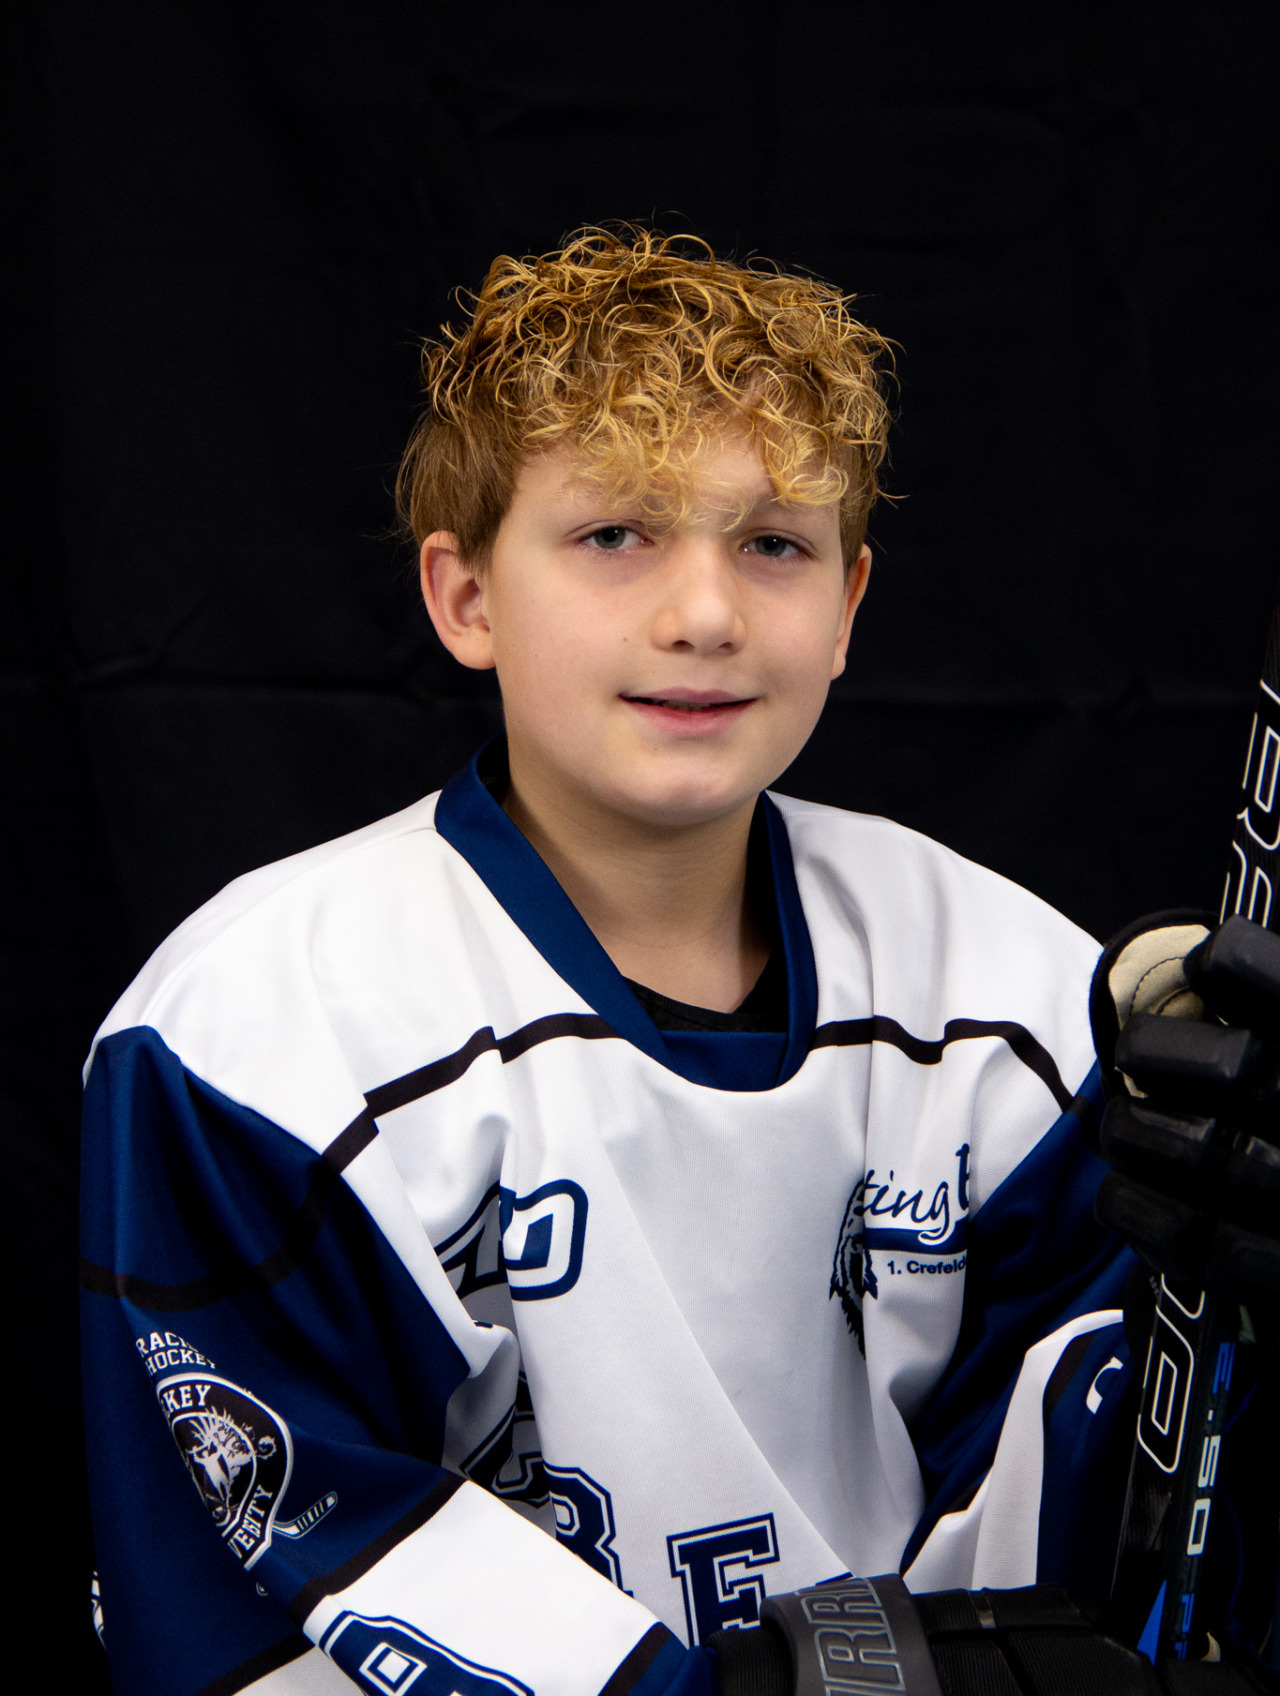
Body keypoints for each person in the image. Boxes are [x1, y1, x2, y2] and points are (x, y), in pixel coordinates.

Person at [79, 229, 1272, 1696]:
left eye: (773, 545)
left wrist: (1240, 1336)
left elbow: (1117, 1549)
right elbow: (271, 1583)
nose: (704, 615)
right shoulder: (257, 1034)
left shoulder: (1016, 998)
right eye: (615, 535)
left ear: (847, 607)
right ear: (466, 598)